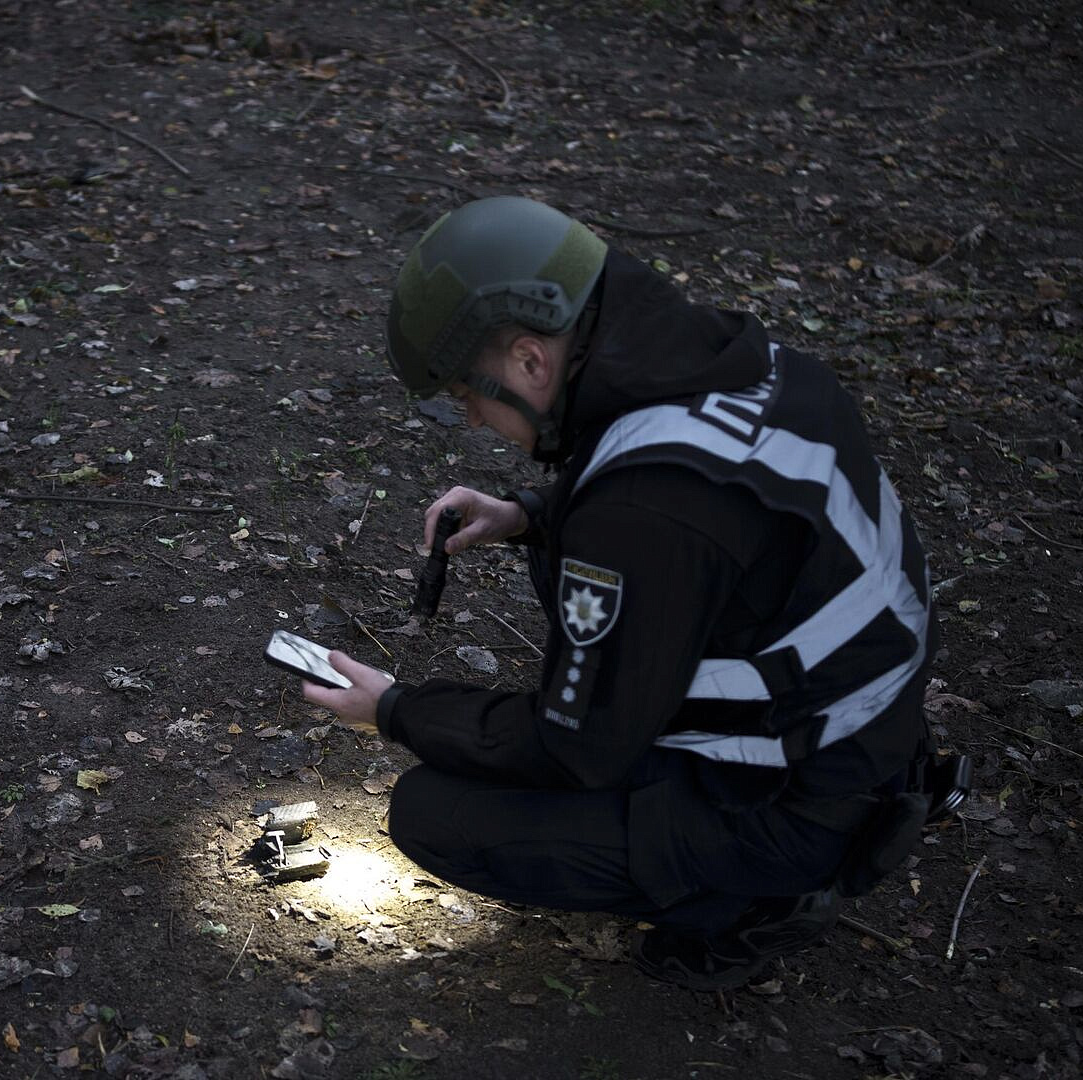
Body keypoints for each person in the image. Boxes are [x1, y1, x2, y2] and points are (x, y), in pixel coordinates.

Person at [301, 196, 943, 991]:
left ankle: (752, 905)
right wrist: (531, 516)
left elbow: (577, 747)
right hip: (865, 739)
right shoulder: (750, 365)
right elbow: (724, 524)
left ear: (532, 361)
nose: (469, 419)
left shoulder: (642, 515)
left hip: (794, 802)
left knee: (435, 814)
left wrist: (396, 709)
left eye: (468, 395)